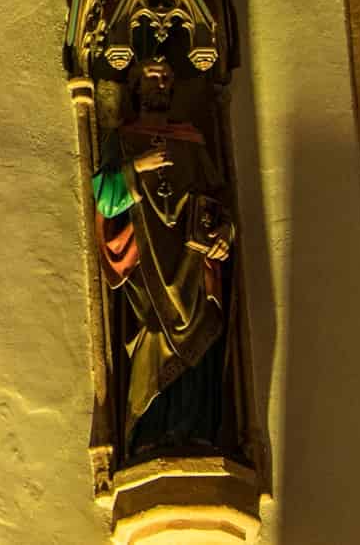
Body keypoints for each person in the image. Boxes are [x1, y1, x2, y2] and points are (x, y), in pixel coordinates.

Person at [93, 58, 236, 460]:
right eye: (151, 78)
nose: (160, 84)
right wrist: (137, 166)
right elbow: (104, 197)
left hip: (192, 262)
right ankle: (149, 435)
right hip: (147, 262)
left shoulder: (191, 140)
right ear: (136, 87)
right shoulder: (121, 141)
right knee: (154, 334)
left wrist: (223, 233)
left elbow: (221, 200)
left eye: (166, 78)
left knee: (203, 333)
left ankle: (197, 433)